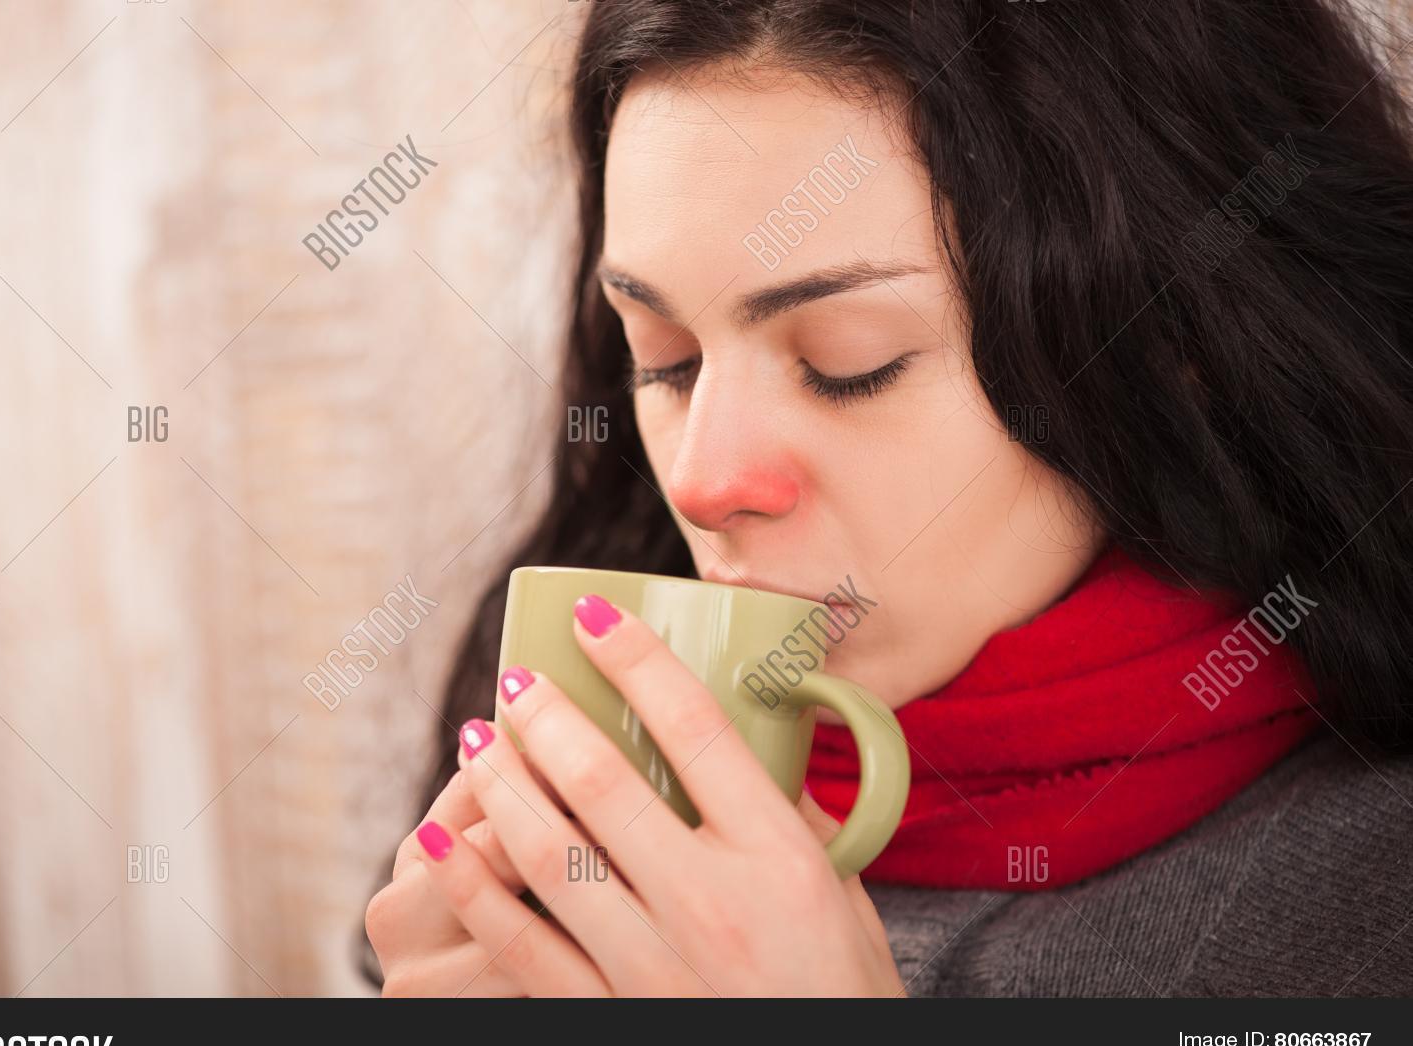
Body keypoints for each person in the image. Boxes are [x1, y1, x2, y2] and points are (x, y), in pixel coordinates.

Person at [365, 0, 1413, 996]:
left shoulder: (1369, 902)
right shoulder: (532, 875)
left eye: (846, 364)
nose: (701, 482)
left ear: (1173, 349)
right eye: (666, 359)